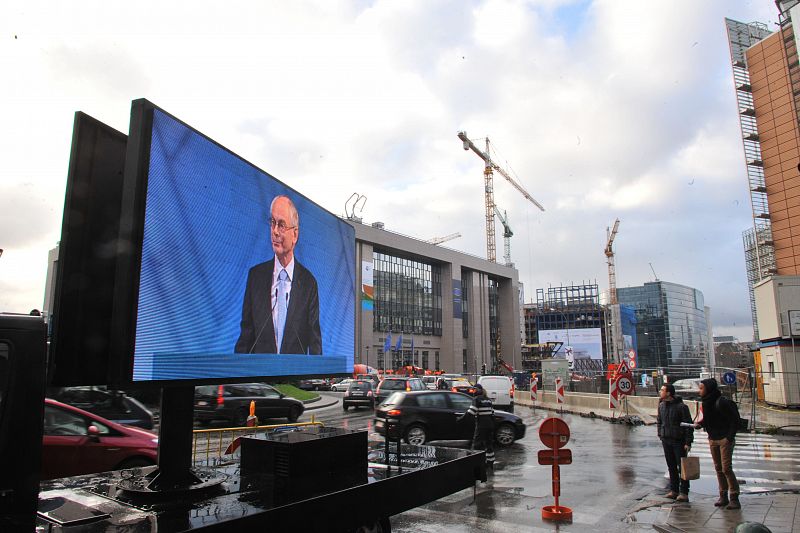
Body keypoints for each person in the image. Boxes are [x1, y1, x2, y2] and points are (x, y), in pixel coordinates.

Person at [235, 195, 322, 355]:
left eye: (281, 225)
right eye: (273, 223)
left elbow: (315, 346)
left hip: (294, 372)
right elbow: (245, 338)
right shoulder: (255, 277)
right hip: (260, 371)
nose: (275, 231)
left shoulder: (309, 284)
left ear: (295, 235)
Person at [695, 377, 741, 509]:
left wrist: (729, 438)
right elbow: (708, 420)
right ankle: (723, 495)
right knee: (718, 468)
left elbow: (735, 421)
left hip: (724, 438)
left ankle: (734, 497)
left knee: (726, 468)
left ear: (708, 389)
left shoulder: (722, 402)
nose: (699, 391)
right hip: (713, 438)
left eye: (701, 388)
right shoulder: (706, 403)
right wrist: (700, 424)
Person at [657, 383, 693, 502]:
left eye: (662, 390)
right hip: (666, 439)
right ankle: (674, 490)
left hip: (678, 440)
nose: (660, 392)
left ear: (668, 393)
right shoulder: (661, 406)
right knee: (671, 466)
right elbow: (659, 421)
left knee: (682, 467)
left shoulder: (681, 407)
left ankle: (684, 492)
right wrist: (660, 434)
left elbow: (688, 425)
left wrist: (688, 442)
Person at [457, 384, 495, 469]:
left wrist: (461, 419)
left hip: (481, 426)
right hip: (490, 425)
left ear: (478, 390)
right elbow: (492, 414)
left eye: (474, 389)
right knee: (489, 444)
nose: (473, 391)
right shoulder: (488, 400)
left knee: (476, 444)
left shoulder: (476, 399)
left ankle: (475, 463)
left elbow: (471, 412)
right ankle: (490, 462)